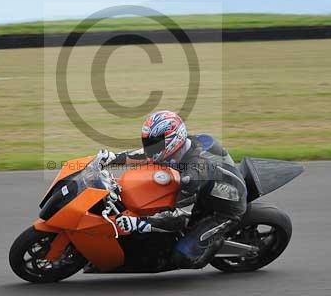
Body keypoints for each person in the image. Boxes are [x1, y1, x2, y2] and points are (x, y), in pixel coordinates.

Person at [96, 110, 247, 269]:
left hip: (224, 209)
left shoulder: (192, 175)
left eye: (155, 143)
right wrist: (114, 158)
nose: (150, 147)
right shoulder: (180, 147)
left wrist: (140, 223)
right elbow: (147, 155)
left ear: (173, 141)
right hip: (207, 190)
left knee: (183, 257)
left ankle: (216, 241)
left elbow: (182, 218)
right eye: (148, 142)